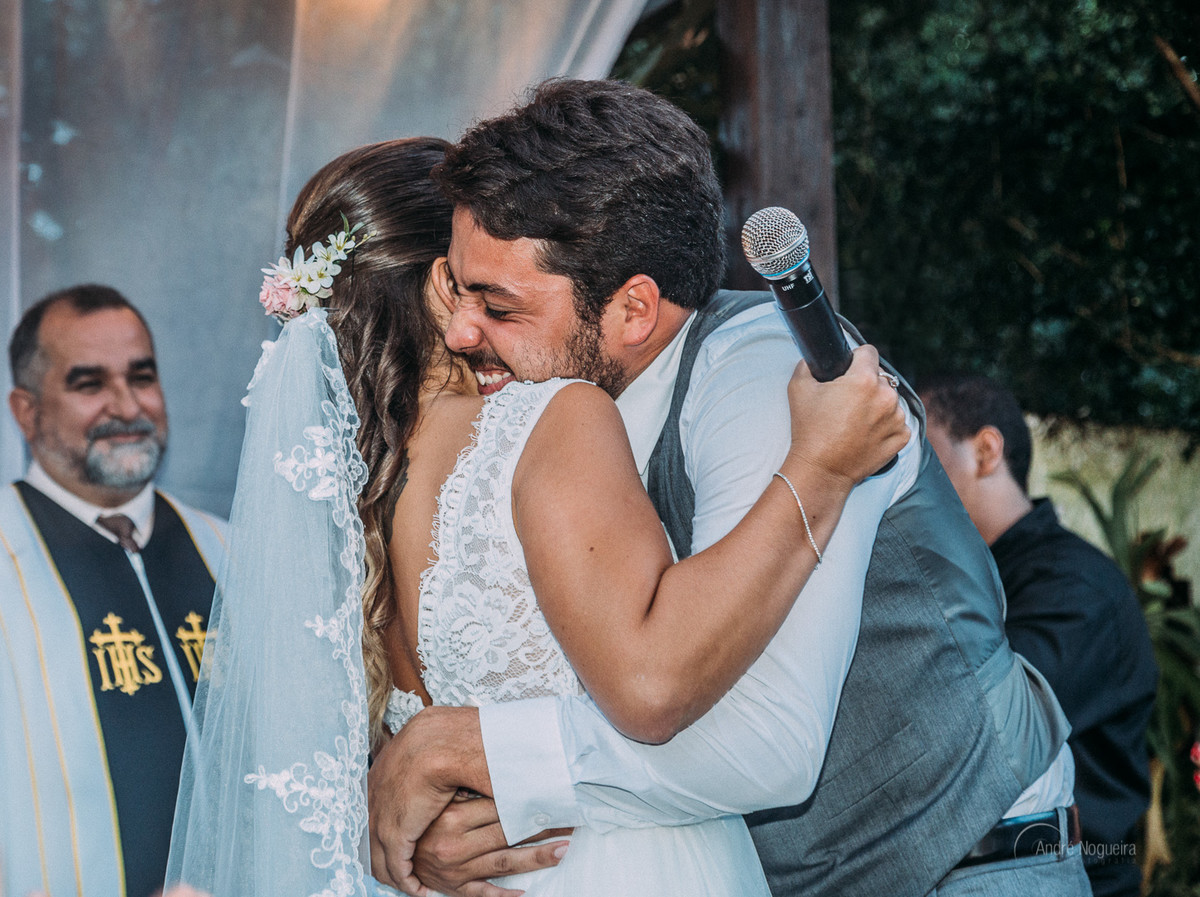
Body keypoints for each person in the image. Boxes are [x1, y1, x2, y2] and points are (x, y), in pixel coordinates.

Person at [366, 78, 1092, 897]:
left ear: (634, 309)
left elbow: (761, 741)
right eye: (457, 289)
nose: (460, 332)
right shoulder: (539, 429)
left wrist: (468, 750)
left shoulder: (771, 375)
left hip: (965, 864)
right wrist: (433, 826)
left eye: (498, 304)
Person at [165, 137, 907, 896]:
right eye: (483, 288)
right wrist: (819, 468)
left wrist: (431, 773)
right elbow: (651, 683)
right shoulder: (546, 419)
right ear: (443, 285)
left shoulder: (355, 500)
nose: (478, 325)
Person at [0, 285, 226, 897]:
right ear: (26, 411)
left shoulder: (229, 553)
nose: (126, 405)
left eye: (141, 376)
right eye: (89, 383)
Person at [921, 372, 1158, 897]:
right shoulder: (981, 573)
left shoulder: (1076, 585)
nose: (904, 477)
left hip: (1076, 877)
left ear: (986, 450)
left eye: (922, 451)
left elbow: (988, 725)